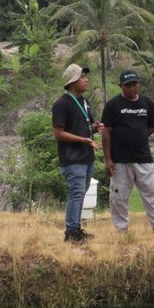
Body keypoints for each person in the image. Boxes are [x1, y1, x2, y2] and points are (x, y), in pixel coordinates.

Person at [101, 69, 154, 234]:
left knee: (151, 193)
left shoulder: (147, 103)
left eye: (134, 84)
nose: (132, 88)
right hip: (120, 159)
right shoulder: (112, 105)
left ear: (138, 84)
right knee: (118, 196)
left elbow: (151, 127)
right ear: (121, 86)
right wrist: (108, 159)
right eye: (128, 85)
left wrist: (138, 136)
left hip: (143, 157)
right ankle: (121, 228)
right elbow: (106, 133)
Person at [52, 63, 103, 243]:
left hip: (87, 156)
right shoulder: (61, 104)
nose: (86, 80)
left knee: (81, 192)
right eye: (82, 77)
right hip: (72, 158)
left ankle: (76, 229)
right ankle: (71, 231)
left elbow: (86, 126)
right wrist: (83, 140)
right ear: (73, 81)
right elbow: (58, 133)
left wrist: (96, 127)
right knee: (77, 192)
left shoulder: (84, 102)